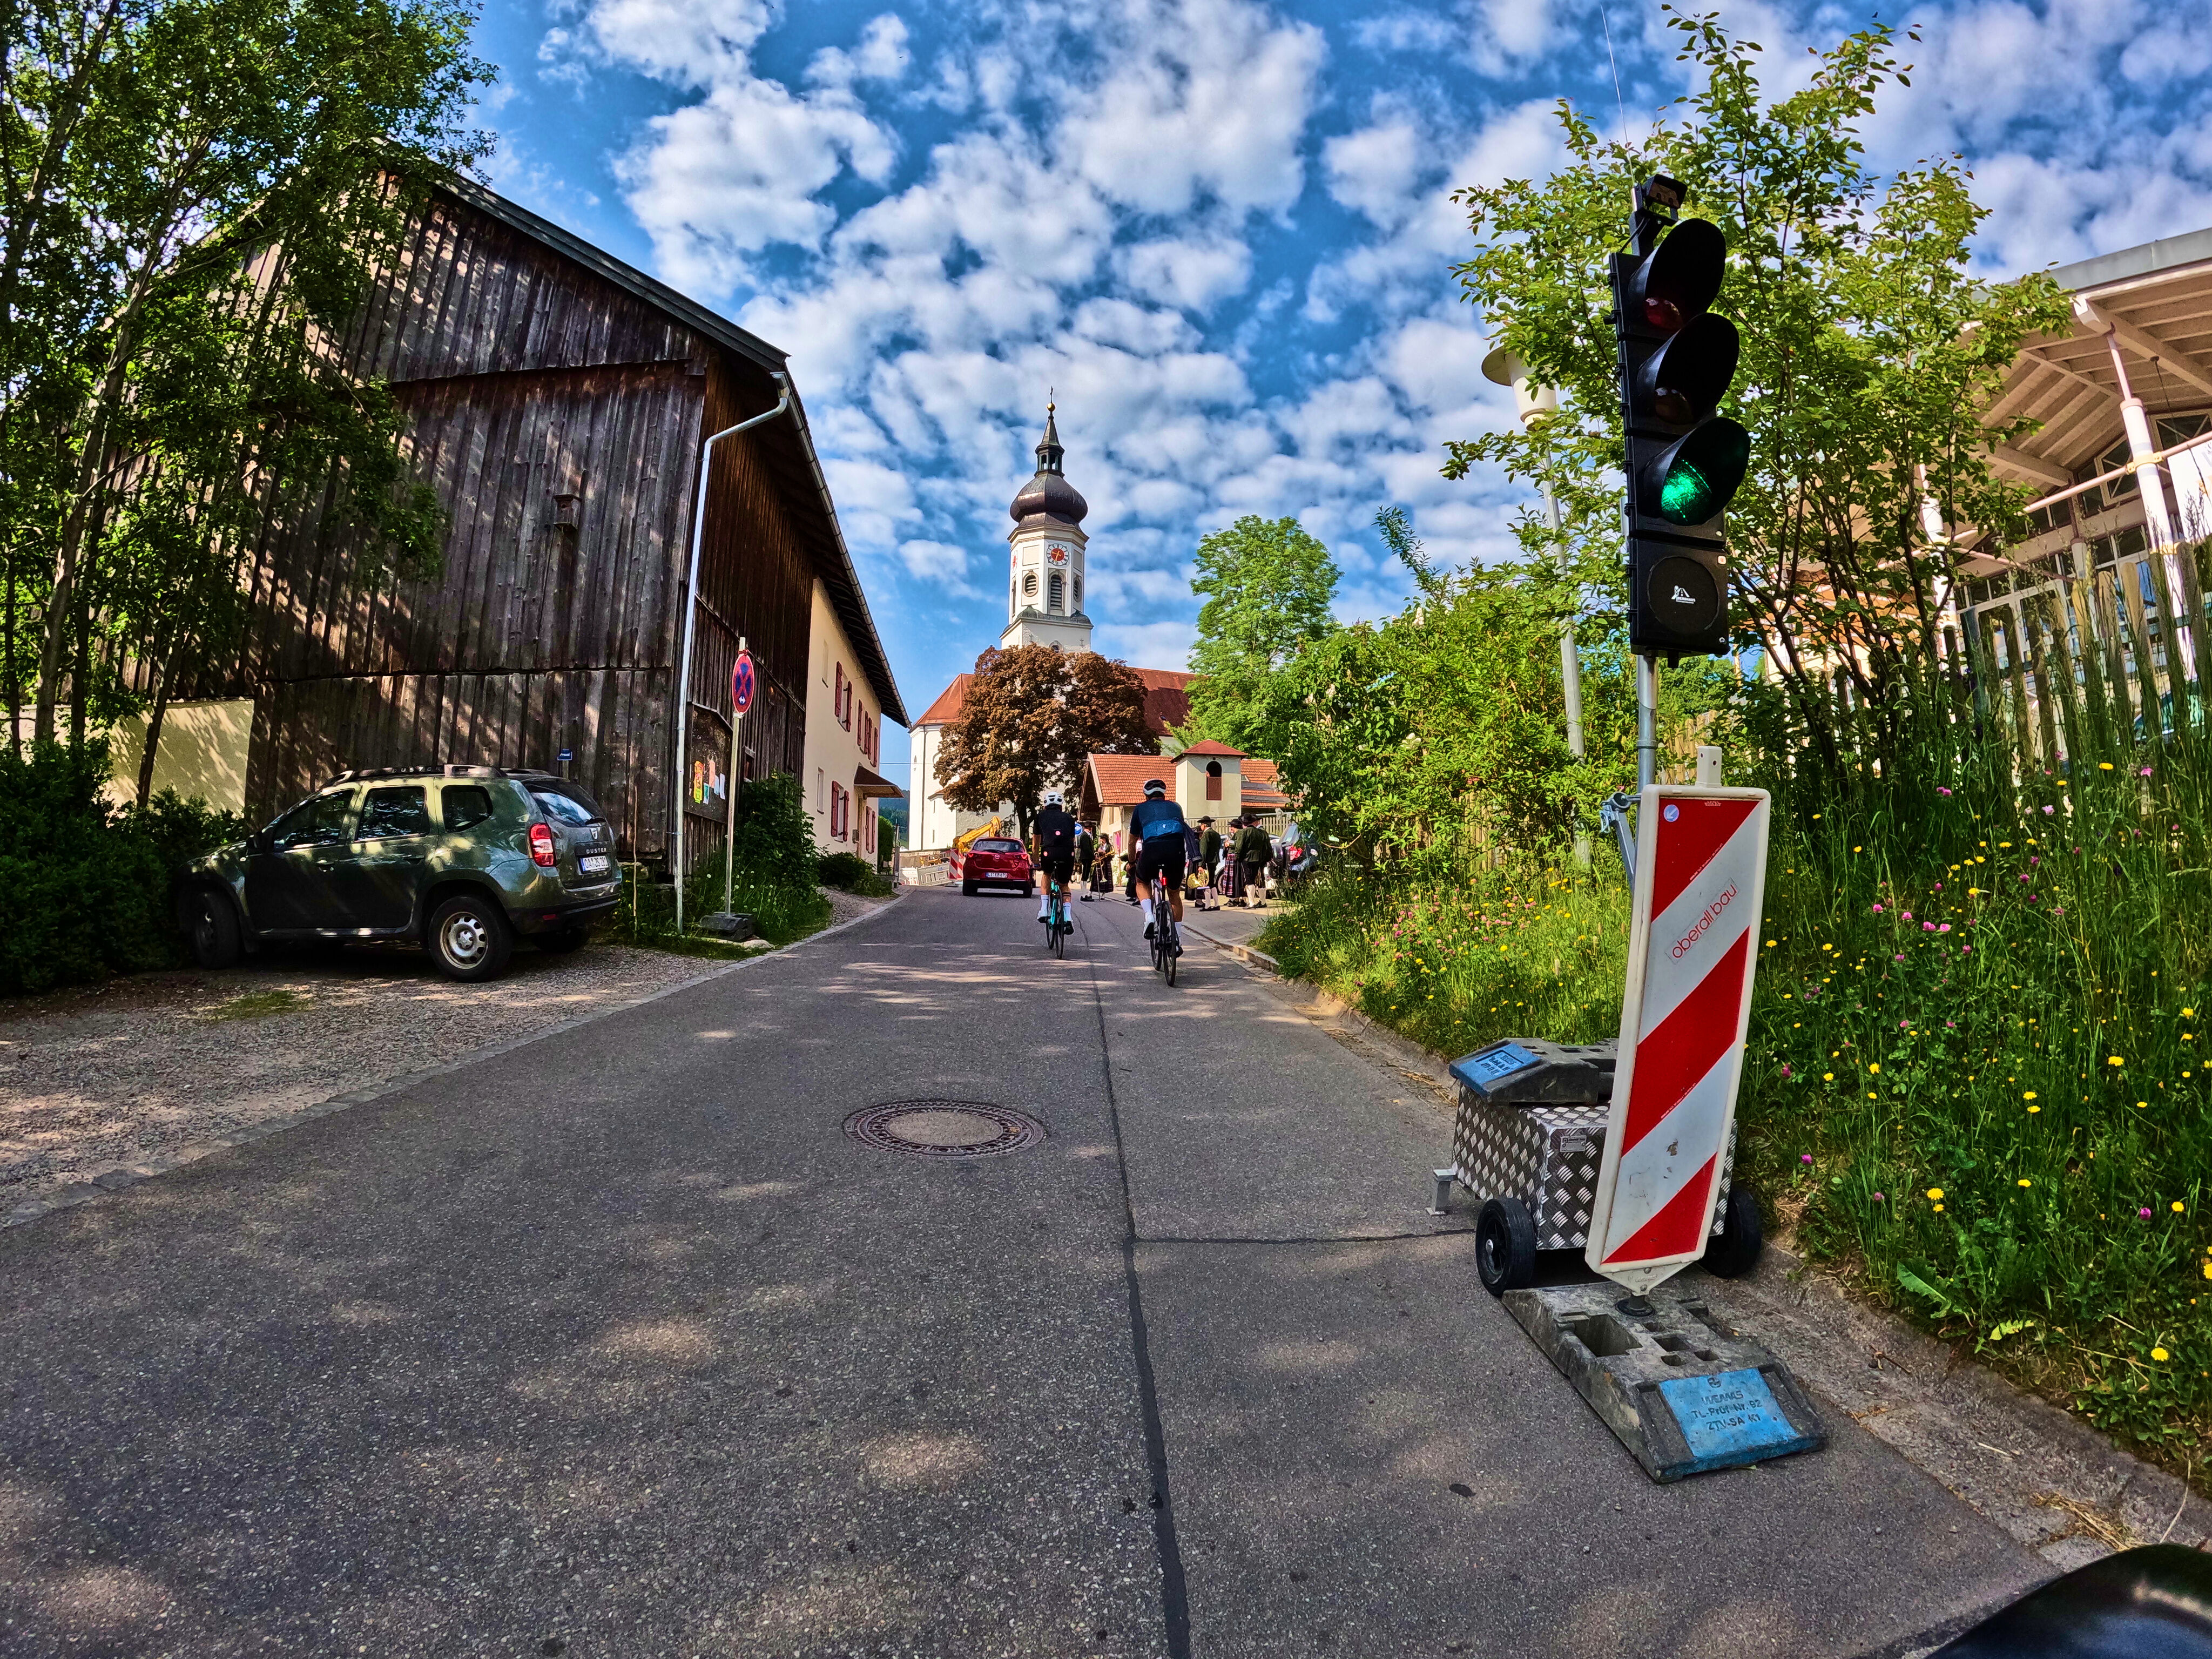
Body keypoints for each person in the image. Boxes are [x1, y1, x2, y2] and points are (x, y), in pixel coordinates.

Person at [1129, 778, 1190, 947]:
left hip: (1152, 852)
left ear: (1146, 795)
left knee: (1141, 881)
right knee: (1174, 895)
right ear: (1163, 794)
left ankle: (1149, 916)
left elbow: (1133, 840)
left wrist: (1132, 862)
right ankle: (1177, 940)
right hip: (1176, 852)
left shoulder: (1140, 809)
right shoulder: (1176, 807)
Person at [1030, 792, 1079, 926]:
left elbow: (1036, 842)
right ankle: (1068, 917)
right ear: (1061, 806)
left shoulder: (1040, 817)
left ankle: (1044, 910)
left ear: (1045, 806)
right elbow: (1072, 840)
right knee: (1064, 885)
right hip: (1067, 853)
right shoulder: (1069, 818)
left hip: (1049, 852)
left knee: (1047, 874)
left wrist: (1036, 861)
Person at [1237, 814, 1273, 909]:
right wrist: (1267, 858)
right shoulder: (1261, 832)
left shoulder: (1243, 832)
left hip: (1247, 859)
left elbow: (1239, 847)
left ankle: (1251, 902)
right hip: (1259, 859)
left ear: (1244, 823)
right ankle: (1260, 901)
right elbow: (1268, 847)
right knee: (1258, 880)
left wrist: (1238, 857)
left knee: (1250, 880)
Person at [1197, 817, 1222, 910]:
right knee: (1212, 883)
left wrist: (1201, 865)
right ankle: (1217, 904)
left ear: (1204, 825)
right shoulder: (1216, 834)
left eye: (1201, 824)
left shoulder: (1206, 835)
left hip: (1207, 861)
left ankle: (1208, 905)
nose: (1201, 826)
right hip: (1215, 860)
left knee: (1206, 883)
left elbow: (1203, 851)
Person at [1074, 819, 1097, 902]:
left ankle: (1085, 894)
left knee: (1086, 876)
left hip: (1087, 858)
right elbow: (1087, 849)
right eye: (1091, 827)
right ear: (1090, 828)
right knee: (1085, 876)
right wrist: (1093, 857)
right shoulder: (1085, 836)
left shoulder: (1087, 836)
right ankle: (1084, 895)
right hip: (1086, 858)